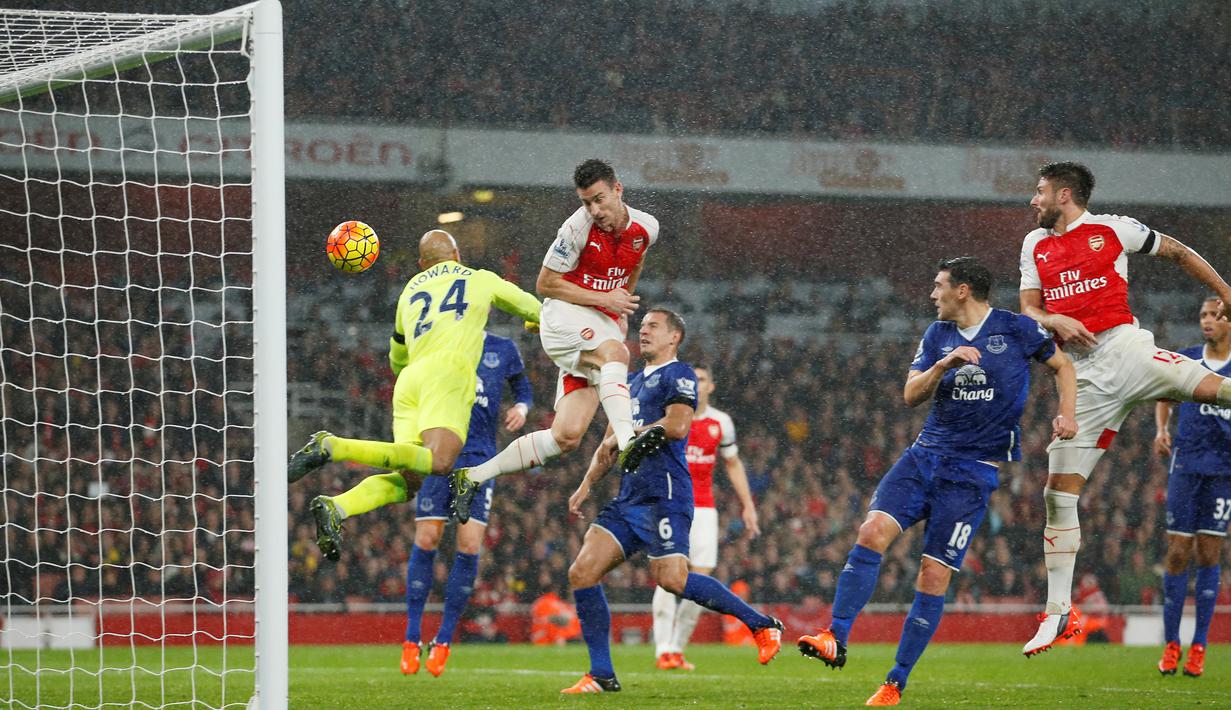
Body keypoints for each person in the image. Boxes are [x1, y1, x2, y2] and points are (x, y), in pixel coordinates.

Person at [797, 257, 1077, 706]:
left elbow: (1063, 366)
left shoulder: (1016, 330)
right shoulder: (937, 335)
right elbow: (910, 395)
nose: (933, 294)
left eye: (939, 285)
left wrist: (1067, 413)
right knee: (870, 532)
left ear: (963, 290)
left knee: (932, 575)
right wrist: (944, 365)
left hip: (973, 472)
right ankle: (836, 636)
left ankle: (895, 681)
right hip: (923, 458)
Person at [1018, 161, 1231, 656]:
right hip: (1084, 378)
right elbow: (1029, 308)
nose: (1034, 200)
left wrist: (1225, 291)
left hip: (1130, 353)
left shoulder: (1113, 230)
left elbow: (1175, 251)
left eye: (1040, 192)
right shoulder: (1035, 245)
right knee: (1058, 494)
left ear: (1065, 195)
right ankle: (1057, 614)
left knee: (1221, 390)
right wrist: (1055, 318)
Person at [560, 308, 785, 694]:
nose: (644, 331)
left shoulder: (679, 375)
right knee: (582, 572)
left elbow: (678, 426)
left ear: (673, 338)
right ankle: (601, 673)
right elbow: (610, 441)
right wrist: (585, 485)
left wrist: (631, 434)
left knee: (672, 579)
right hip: (629, 498)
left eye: (653, 327)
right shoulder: (630, 382)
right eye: (642, 326)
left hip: (666, 494)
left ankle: (761, 624)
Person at [286, 230, 541, 560]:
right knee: (441, 462)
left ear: (422, 264)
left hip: (409, 380)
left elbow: (396, 357)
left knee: (408, 483)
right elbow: (530, 305)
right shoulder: (479, 279)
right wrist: (534, 322)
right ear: (457, 255)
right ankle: (333, 446)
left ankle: (338, 506)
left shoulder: (410, 290)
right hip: (449, 371)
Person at [448, 159, 668, 522]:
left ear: (618, 189)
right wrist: (605, 300)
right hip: (563, 316)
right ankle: (630, 443)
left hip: (600, 322)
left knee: (566, 437)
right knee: (616, 354)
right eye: (586, 203)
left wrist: (622, 303)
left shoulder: (648, 228)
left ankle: (471, 477)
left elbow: (636, 262)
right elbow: (545, 284)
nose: (594, 210)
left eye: (599, 199)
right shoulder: (575, 230)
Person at [400, 331, 533, 677]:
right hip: (438, 451)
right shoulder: (438, 341)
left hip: (478, 458)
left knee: (470, 544)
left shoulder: (502, 348)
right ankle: (412, 637)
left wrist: (521, 406)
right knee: (427, 537)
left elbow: (522, 386)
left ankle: (443, 640)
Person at [652, 363, 760, 671]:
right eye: (692, 380)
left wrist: (747, 504)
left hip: (704, 508)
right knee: (667, 575)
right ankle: (662, 648)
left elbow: (733, 463)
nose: (696, 385)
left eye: (701, 380)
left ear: (711, 386)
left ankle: (676, 647)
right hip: (670, 504)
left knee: (700, 576)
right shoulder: (670, 416)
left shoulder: (720, 423)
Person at [1154, 296, 1231, 678]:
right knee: (1177, 553)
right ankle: (1171, 643)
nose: (1206, 322)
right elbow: (1164, 395)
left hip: (1223, 472)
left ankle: (1199, 645)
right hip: (1185, 466)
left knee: (1209, 554)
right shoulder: (1186, 358)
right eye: (1202, 315)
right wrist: (1162, 429)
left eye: (1214, 316)